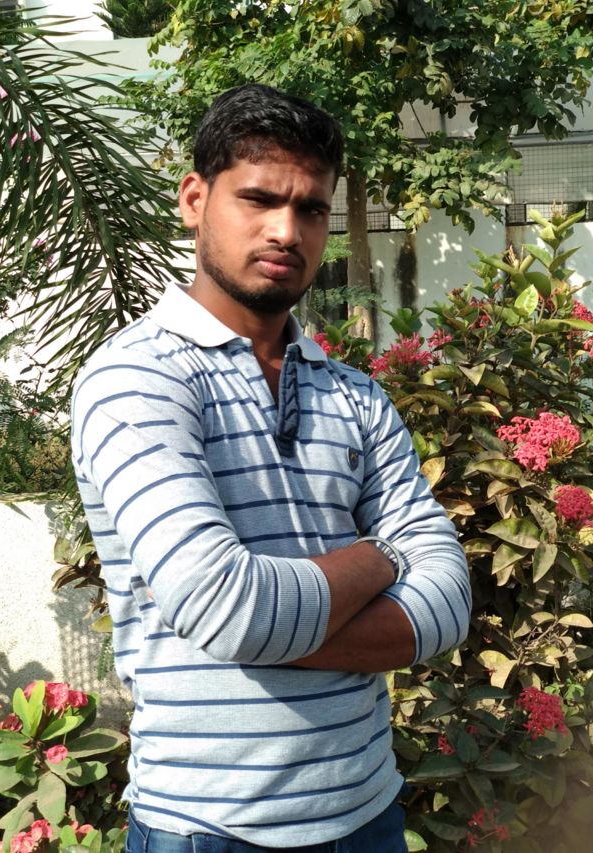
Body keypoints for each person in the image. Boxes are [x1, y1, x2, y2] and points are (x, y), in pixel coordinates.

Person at [71, 84, 470, 853]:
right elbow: (227, 606)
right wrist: (382, 556)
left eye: (311, 208)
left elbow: (448, 603)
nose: (287, 230)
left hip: (368, 813)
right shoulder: (137, 379)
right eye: (258, 198)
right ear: (195, 199)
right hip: (208, 825)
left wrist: (253, 622)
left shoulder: (355, 395)